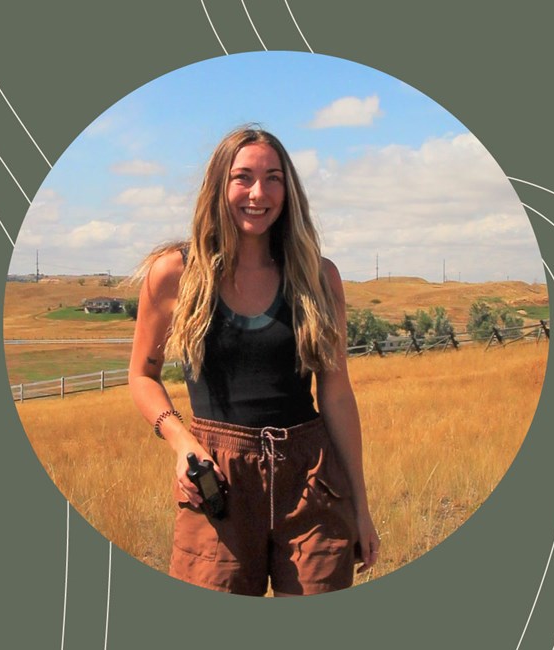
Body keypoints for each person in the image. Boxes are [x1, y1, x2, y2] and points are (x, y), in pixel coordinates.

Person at [129, 125, 380, 596]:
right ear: (219, 186)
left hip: (311, 478)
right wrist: (181, 440)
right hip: (219, 480)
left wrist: (361, 507)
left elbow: (337, 392)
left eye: (273, 178)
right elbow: (142, 375)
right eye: (243, 177)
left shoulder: (318, 277)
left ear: (289, 190)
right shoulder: (176, 274)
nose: (258, 193)